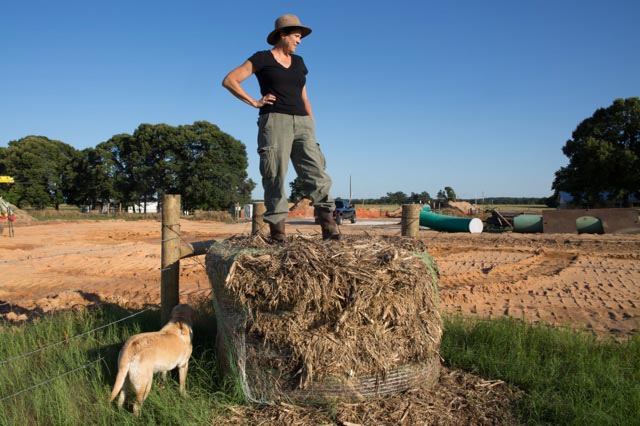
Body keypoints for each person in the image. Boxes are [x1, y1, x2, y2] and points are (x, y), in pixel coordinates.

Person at [222, 14, 340, 242]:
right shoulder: (262, 59)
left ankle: (330, 230)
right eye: (296, 36)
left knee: (316, 173)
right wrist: (254, 102)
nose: (300, 41)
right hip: (275, 121)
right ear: (283, 35)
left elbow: (304, 95)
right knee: (275, 174)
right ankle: (278, 235)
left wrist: (311, 123)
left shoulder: (299, 63)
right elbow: (230, 80)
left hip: (303, 122)